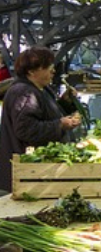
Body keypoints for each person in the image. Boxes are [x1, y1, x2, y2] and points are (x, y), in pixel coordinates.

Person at [0, 46, 83, 192]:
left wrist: (66, 103)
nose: (53, 70)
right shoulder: (24, 93)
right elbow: (26, 130)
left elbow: (46, 114)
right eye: (48, 67)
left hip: (38, 172)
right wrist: (60, 125)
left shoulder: (40, 89)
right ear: (32, 71)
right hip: (28, 174)